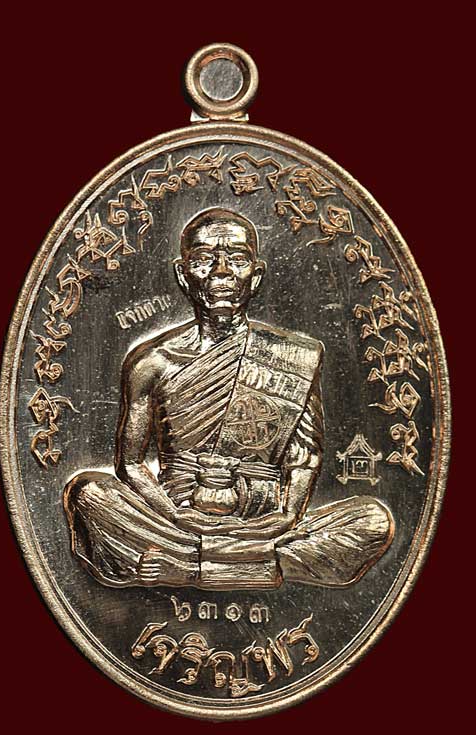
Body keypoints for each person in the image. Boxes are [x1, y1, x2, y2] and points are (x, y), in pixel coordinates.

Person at [64, 207, 394, 590]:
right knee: (89, 495)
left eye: (237, 259)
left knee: (372, 521)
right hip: (176, 518)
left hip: (264, 520)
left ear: (256, 276)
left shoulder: (295, 356)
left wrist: (289, 515)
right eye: (204, 259)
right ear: (183, 276)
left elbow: (304, 455)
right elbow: (132, 464)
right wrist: (175, 515)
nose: (221, 272)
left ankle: (190, 567)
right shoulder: (151, 362)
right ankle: (256, 564)